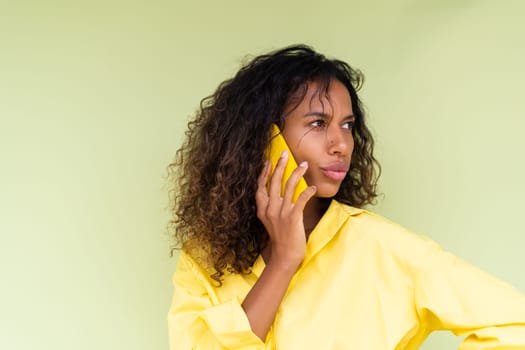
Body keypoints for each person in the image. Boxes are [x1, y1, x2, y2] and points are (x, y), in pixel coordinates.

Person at [166, 45, 525, 349]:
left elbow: (514, 324)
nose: (341, 145)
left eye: (348, 125)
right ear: (263, 138)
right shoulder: (203, 259)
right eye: (318, 123)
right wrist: (284, 261)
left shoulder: (381, 247)